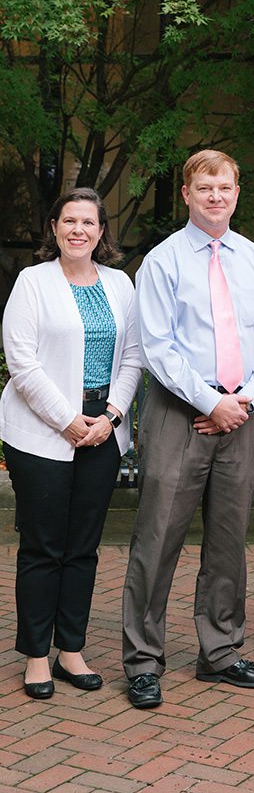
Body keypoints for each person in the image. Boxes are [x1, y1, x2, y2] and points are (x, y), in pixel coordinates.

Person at [122, 149, 254, 709]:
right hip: (178, 413)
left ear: (236, 193)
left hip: (240, 416)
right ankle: (144, 660)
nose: (216, 196)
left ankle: (220, 652)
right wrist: (206, 400)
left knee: (228, 541)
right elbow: (157, 347)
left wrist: (244, 400)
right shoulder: (163, 262)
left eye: (225, 186)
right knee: (158, 537)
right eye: (205, 187)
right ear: (188, 194)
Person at [0, 188, 141, 699]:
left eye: (89, 222)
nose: (79, 229)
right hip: (41, 433)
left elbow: (133, 358)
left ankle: (70, 650)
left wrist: (111, 415)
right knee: (43, 547)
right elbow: (21, 359)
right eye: (69, 221)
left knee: (82, 547)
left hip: (103, 432)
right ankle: (37, 656)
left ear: (102, 231)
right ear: (54, 229)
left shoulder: (121, 285)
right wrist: (67, 420)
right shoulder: (32, 282)